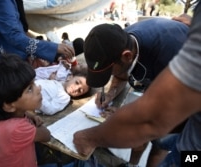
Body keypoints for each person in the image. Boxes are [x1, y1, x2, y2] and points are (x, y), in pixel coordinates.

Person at [73, 1, 201, 167]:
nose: (111, 75)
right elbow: (121, 75)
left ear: (127, 56)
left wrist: (91, 137)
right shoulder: (121, 40)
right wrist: (111, 94)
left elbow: (151, 122)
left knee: (175, 153)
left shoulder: (170, 52)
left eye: (109, 71)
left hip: (193, 122)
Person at [0, 54, 51, 167]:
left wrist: (32, 116)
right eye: (30, 89)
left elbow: (20, 113)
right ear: (9, 105)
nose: (38, 89)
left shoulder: (3, 116)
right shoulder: (17, 128)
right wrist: (38, 127)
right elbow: (46, 135)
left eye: (34, 83)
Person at [0, 0, 75, 65]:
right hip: (2, 67)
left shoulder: (13, 2)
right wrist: (54, 48)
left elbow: (20, 32)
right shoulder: (3, 2)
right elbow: (14, 37)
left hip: (10, 63)